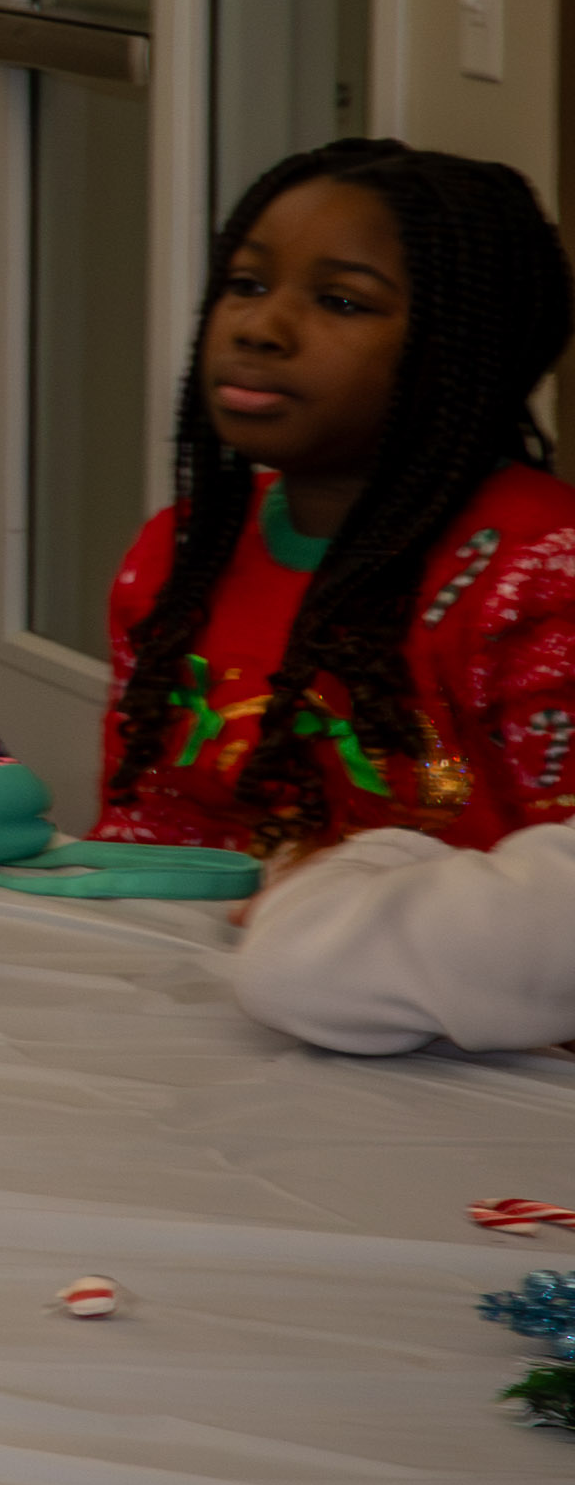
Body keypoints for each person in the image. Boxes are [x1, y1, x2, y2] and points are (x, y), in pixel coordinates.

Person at [73, 137, 575, 1046]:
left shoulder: (540, 577)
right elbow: (151, 833)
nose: (261, 328)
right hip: (222, 1015)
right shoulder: (180, 554)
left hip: (486, 1058)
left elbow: (550, 908)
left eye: (341, 301)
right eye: (246, 284)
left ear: (463, 351)